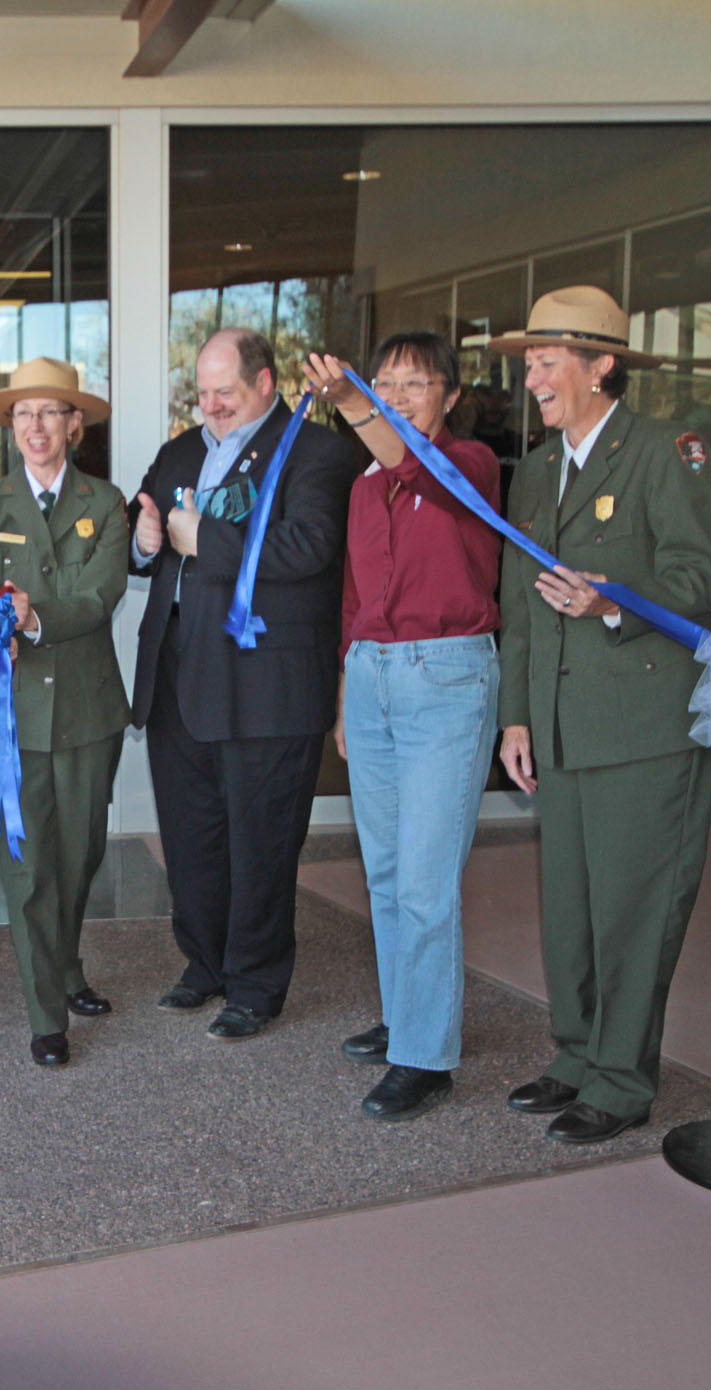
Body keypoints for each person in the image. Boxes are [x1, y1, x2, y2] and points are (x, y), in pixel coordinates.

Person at [489, 285, 711, 1145]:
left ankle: (622, 1081)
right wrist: (516, 718)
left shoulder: (670, 452)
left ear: (602, 366)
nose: (532, 379)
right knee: (572, 911)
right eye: (529, 363)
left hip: (643, 729)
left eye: (547, 362)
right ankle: (577, 1055)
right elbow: (520, 602)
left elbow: (700, 587)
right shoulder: (542, 468)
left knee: (633, 906)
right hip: (561, 725)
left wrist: (613, 605)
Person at [130, 328, 359, 1041]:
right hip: (178, 680)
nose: (211, 406)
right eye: (201, 392)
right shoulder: (181, 449)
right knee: (192, 838)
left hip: (265, 688)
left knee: (260, 844)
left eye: (224, 391)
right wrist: (141, 538)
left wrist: (210, 541)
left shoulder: (319, 452)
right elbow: (145, 527)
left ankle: (257, 985)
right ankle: (205, 965)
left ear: (266, 382)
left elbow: (311, 546)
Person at [305, 335, 502, 1122]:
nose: (398, 392)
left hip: (446, 678)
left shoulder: (474, 463)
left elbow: (424, 468)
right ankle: (407, 1015)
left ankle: (426, 1056)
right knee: (385, 869)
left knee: (425, 880)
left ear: (450, 395)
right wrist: (349, 693)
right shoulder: (363, 488)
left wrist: (354, 404)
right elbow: (354, 599)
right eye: (385, 383)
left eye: (414, 383)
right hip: (376, 677)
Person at [0, 358, 131, 1069]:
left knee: (80, 854)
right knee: (30, 867)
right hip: (12, 717)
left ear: (73, 426)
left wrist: (34, 615)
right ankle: (46, 1014)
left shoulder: (107, 501)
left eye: (49, 413)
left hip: (88, 712)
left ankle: (63, 967)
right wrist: (6, 616)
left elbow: (100, 597)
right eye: (22, 415)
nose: (34, 427)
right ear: (11, 428)